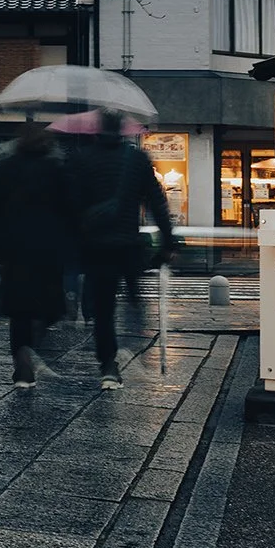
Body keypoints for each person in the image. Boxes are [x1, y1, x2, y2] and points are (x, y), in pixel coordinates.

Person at [62, 110, 174, 389]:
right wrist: (168, 240)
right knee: (134, 297)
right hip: (128, 243)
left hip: (96, 246)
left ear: (97, 130)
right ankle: (136, 339)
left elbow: (70, 206)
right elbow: (156, 202)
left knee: (103, 308)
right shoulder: (137, 159)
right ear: (122, 130)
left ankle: (109, 366)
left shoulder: (82, 159)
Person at [0, 120, 76, 388]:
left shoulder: (5, 167)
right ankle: (35, 336)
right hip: (48, 247)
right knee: (48, 302)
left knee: (18, 307)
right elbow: (70, 209)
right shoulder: (56, 169)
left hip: (13, 246)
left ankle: (21, 361)